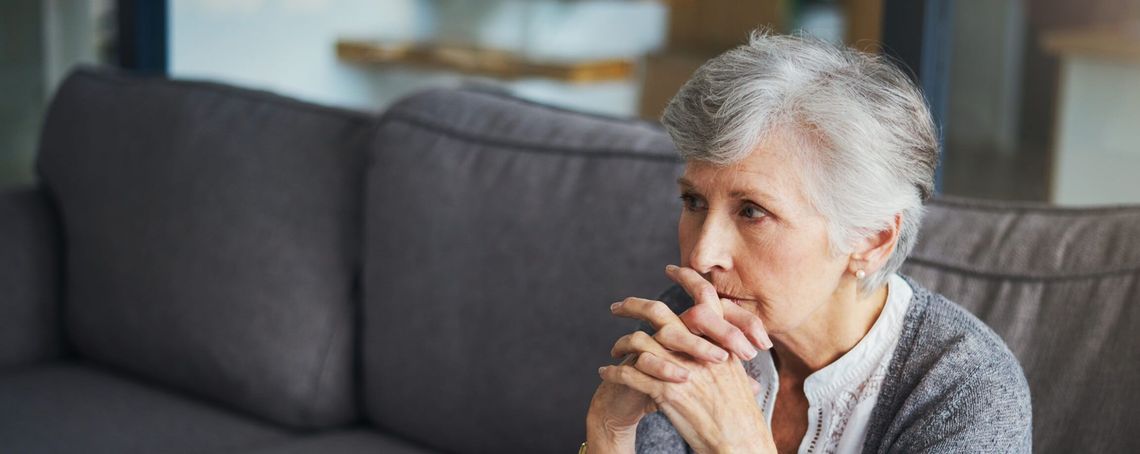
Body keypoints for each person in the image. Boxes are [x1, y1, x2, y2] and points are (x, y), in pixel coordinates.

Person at [583, 32, 1032, 453]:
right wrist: (609, 431)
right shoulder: (688, 323)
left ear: (871, 239)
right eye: (694, 201)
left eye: (752, 212)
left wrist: (738, 443)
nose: (702, 255)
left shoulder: (969, 390)